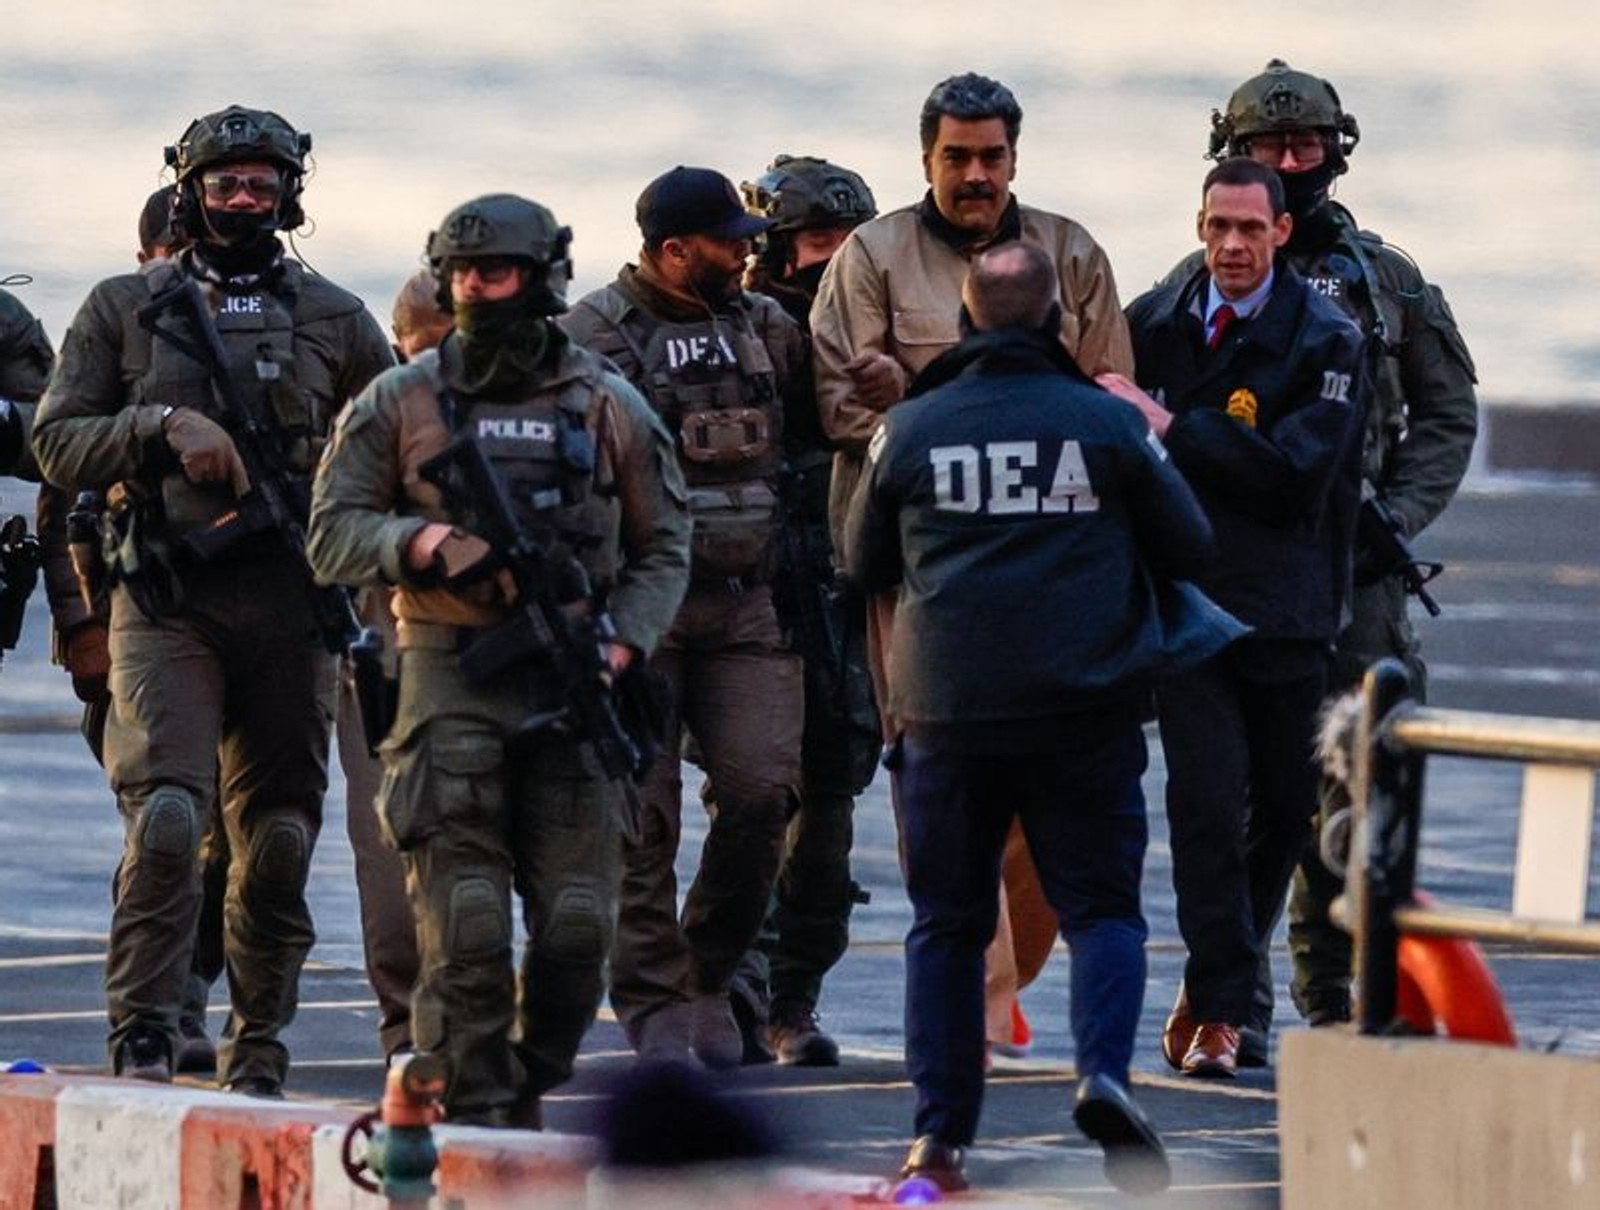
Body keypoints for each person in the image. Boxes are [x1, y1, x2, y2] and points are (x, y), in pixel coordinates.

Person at [844, 240, 1239, 1196]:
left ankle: (938, 1138)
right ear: (1060, 325)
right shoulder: (1107, 425)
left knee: (947, 924)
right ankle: (1103, 1075)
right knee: (1103, 912)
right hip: (1084, 707)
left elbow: (862, 564)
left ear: (966, 323)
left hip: (947, 714)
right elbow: (1192, 543)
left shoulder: (910, 429)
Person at [32, 105, 394, 1095]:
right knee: (164, 819)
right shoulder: (123, 308)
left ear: (290, 194)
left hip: (292, 606)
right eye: (224, 183)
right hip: (166, 601)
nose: (242, 199)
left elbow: (405, 441)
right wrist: (161, 425)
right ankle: (146, 1027)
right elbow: (55, 444)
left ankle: (259, 1040)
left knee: (277, 838)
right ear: (189, 192)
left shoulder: (336, 317)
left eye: (260, 183)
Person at [307, 192, 691, 1125]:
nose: (480, 288)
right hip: (449, 673)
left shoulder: (607, 401)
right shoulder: (399, 400)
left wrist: (623, 640)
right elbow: (331, 533)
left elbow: (665, 545)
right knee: (468, 924)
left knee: (579, 928)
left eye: (499, 272)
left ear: (543, 278)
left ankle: (526, 1077)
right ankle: (477, 1111)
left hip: (576, 677)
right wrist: (420, 544)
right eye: (465, 274)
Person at [810, 69, 1134, 1059]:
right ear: (927, 160)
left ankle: (1011, 978)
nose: (975, 175)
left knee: (1045, 804)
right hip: (921, 569)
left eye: (991, 156)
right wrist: (952, 425)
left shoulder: (1070, 253)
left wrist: (928, 402)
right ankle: (982, 1001)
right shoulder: (871, 258)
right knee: (937, 783)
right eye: (956, 157)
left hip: (1054, 563)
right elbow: (842, 408)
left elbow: (1113, 393)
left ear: (1014, 159)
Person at [1191, 60, 1479, 1038]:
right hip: (1249, 575)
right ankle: (1231, 1001)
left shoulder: (1389, 283)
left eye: (1304, 145)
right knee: (1250, 792)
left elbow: (1446, 410)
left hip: (1359, 571)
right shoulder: (1199, 286)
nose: (1288, 163)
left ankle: (1333, 991)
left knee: (1362, 779)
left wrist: (1399, 513)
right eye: (1267, 148)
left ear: (1335, 152)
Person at [1103, 156, 1365, 1078]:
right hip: (1189, 602)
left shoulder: (1328, 339)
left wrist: (1177, 430)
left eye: (1252, 228)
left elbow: (1295, 477)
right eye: (1218, 226)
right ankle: (1219, 1009)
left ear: (1282, 233)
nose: (1232, 245)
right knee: (1206, 804)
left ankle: (1216, 975)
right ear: (1200, 225)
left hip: (1288, 607)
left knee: (1287, 807)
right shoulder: (1156, 323)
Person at [561, 166, 806, 1069]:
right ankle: (655, 1000)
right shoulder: (589, 336)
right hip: (640, 614)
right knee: (640, 822)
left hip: (749, 607)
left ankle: (709, 970)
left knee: (761, 795)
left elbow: (820, 434)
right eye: (727, 243)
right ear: (672, 250)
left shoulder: (768, 329)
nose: (746, 254)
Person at [729, 154, 882, 1066]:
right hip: (749, 594)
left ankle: (791, 998)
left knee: (827, 812)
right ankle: (733, 979)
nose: (836, 260)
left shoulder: (878, 333)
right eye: (821, 241)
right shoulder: (738, 335)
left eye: (851, 242)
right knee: (750, 800)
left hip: (842, 589)